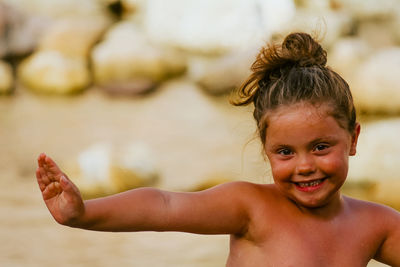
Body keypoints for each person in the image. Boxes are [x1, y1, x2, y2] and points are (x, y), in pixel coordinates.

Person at [36, 32, 400, 266]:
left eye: (320, 147)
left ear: (352, 139)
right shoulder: (250, 208)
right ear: (266, 150)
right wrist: (82, 214)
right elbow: (164, 206)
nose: (305, 165)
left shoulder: (376, 225)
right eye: (285, 152)